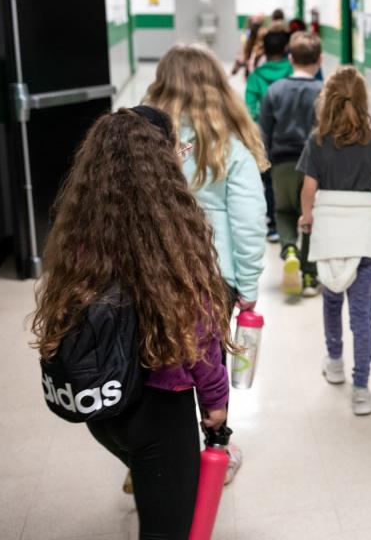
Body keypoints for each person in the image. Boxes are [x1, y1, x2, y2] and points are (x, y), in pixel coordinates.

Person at [31, 107, 234, 539]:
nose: (182, 155)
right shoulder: (168, 236)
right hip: (159, 412)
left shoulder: (86, 230)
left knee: (149, 484)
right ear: (160, 162)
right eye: (177, 148)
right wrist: (215, 401)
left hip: (103, 408)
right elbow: (195, 332)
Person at [146, 43, 270, 484]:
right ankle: (215, 448)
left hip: (151, 270)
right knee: (207, 360)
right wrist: (249, 280)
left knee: (158, 358)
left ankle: (155, 452)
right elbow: (250, 220)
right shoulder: (229, 145)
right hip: (212, 275)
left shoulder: (145, 141)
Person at [296, 66, 371, 415]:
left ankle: (335, 361)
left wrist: (307, 217)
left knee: (331, 300)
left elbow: (308, 190)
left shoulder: (317, 143)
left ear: (327, 102)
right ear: (363, 101)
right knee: (362, 315)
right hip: (363, 242)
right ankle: (361, 388)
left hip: (330, 238)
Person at [259, 31, 324, 297]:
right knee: (311, 216)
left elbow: (263, 131)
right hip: (314, 166)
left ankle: (288, 249)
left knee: (284, 211)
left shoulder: (274, 90)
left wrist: (265, 163)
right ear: (319, 60)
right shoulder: (323, 92)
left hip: (282, 162)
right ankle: (310, 277)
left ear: (290, 58)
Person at [246, 28, 293, 243]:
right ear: (286, 49)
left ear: (264, 49)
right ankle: (295, 222)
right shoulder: (293, 71)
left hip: (266, 137)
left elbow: (249, 108)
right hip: (294, 134)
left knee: (270, 180)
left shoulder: (256, 76)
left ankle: (273, 225)